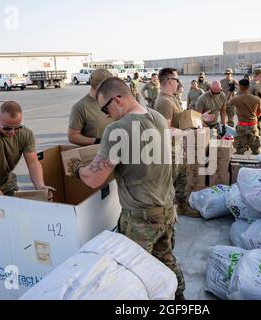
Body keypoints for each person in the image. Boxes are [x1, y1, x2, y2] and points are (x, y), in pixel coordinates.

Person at [71, 76, 186, 300]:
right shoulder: (158, 118)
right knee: (166, 262)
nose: (105, 114)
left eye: (105, 108)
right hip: (167, 211)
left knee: (134, 278)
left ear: (117, 99)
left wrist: (77, 168)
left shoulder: (117, 130)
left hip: (140, 221)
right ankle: (180, 298)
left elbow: (94, 179)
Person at [0, 101, 54, 197]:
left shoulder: (26, 134)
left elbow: (33, 163)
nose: (12, 132)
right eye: (7, 128)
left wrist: (41, 187)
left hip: (5, 184)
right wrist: (2, 200)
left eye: (17, 127)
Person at [154, 68, 201, 218]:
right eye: (176, 80)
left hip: (178, 148)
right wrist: (188, 133)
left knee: (182, 179)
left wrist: (200, 118)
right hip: (170, 151)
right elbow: (166, 131)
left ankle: (181, 207)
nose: (178, 83)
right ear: (169, 81)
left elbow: (179, 119)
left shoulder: (172, 98)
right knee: (171, 184)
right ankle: (168, 214)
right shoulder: (164, 102)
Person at [68, 69, 113, 146]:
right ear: (99, 87)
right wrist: (98, 141)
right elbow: (73, 136)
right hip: (94, 154)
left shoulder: (114, 101)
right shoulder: (81, 107)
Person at [228, 79, 261, 155]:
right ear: (249, 86)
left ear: (240, 87)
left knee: (239, 150)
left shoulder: (235, 99)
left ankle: (238, 166)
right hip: (253, 126)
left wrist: (230, 92)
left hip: (241, 126)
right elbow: (259, 113)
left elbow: (226, 104)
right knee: (256, 150)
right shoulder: (257, 99)